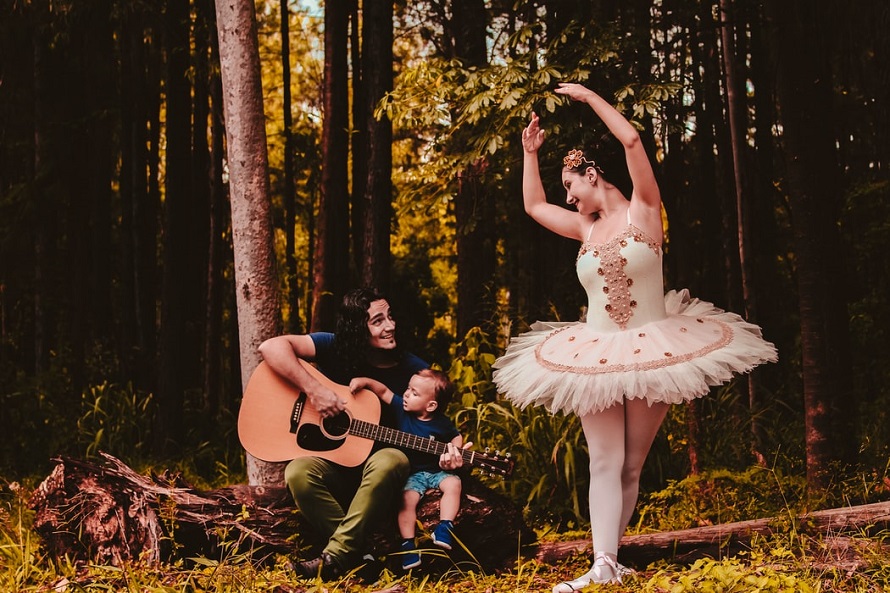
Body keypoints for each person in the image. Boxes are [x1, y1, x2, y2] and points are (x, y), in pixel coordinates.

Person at [491, 83, 778, 591]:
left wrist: (589, 97)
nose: (568, 197)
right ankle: (602, 563)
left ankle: (612, 561)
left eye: (570, 185)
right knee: (604, 458)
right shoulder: (585, 229)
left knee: (632, 464)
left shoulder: (645, 211)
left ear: (591, 175)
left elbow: (631, 143)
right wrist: (529, 155)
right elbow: (534, 207)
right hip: (594, 352)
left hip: (655, 347)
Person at [257, 287, 466, 581]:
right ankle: (361, 554)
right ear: (358, 327)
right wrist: (314, 390)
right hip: (337, 463)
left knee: (391, 458)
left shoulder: (415, 371)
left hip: (383, 475)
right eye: (378, 321)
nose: (390, 325)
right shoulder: (333, 346)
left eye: (390, 316)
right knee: (298, 473)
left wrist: (449, 458)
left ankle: (336, 557)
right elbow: (271, 347)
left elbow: (434, 427)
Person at [350, 368, 466, 571]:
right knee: (407, 500)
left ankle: (445, 527)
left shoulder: (442, 423)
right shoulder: (401, 411)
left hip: (437, 471)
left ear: (431, 405)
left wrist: (455, 449)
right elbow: (384, 391)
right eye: (408, 389)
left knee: (454, 484)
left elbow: (455, 436)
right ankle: (408, 544)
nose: (406, 394)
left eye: (414, 393)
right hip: (414, 474)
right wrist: (365, 380)